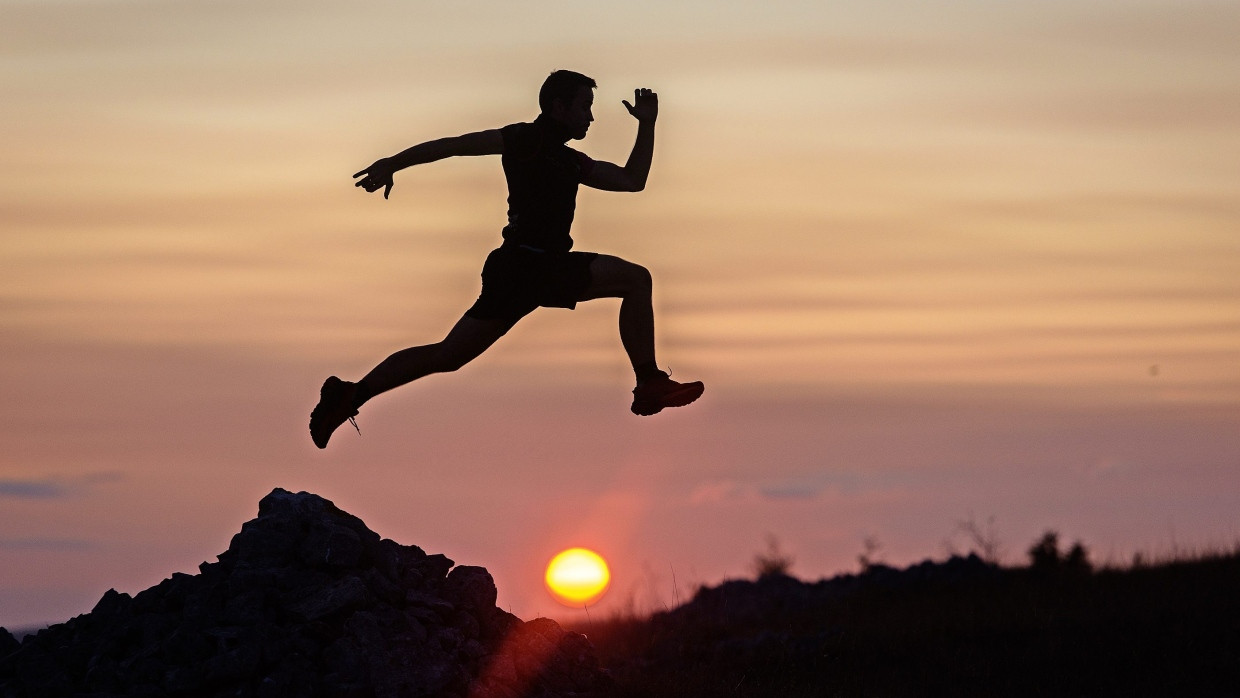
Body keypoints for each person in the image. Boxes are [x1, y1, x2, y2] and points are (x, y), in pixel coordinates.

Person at [310, 70, 703, 449]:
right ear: (557, 106)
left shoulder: (571, 161)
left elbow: (632, 180)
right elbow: (452, 145)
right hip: (526, 266)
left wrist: (647, 125)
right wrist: (392, 163)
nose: (591, 116)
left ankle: (349, 394)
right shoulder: (523, 139)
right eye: (585, 106)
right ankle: (649, 381)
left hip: (530, 269)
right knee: (635, 279)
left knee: (448, 355)